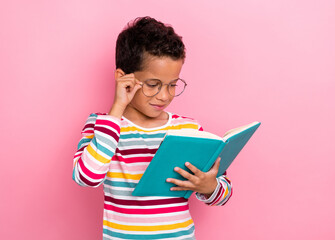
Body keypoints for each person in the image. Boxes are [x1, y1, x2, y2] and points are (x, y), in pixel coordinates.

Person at [72, 16, 233, 240]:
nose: (165, 96)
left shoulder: (188, 129)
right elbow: (86, 177)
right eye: (153, 85)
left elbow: (224, 193)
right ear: (123, 78)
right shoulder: (103, 126)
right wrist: (117, 108)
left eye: (173, 85)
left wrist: (208, 186)